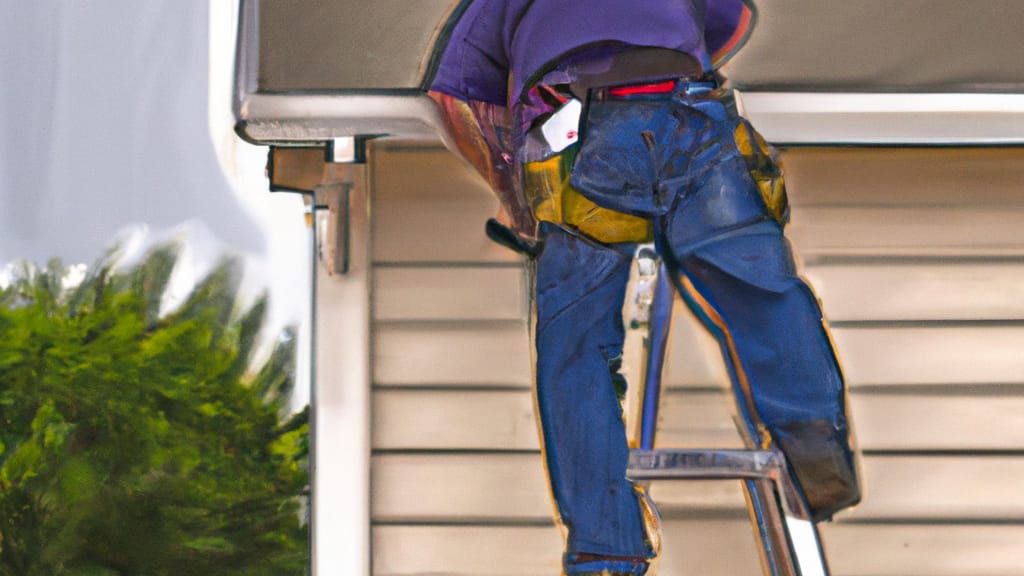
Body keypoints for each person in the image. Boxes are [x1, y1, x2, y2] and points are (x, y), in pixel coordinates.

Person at [428, 2, 860, 574]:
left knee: (576, 349)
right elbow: (731, 22)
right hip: (690, 112)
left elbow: (451, 98)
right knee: (761, 290)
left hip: (578, 135)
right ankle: (814, 456)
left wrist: (509, 190)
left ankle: (605, 547)